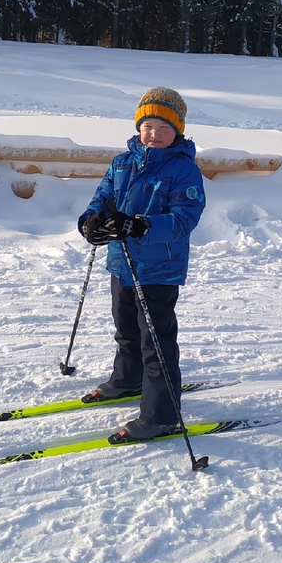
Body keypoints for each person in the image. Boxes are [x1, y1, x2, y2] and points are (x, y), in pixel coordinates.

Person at [77, 87, 206, 439]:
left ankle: (161, 414)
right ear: (138, 126)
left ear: (177, 131)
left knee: (156, 342)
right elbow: (102, 198)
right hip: (122, 264)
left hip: (159, 269)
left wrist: (140, 225)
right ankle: (127, 379)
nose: (153, 133)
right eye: (148, 125)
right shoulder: (122, 162)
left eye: (163, 128)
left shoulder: (183, 170)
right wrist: (91, 221)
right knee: (126, 330)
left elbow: (183, 220)